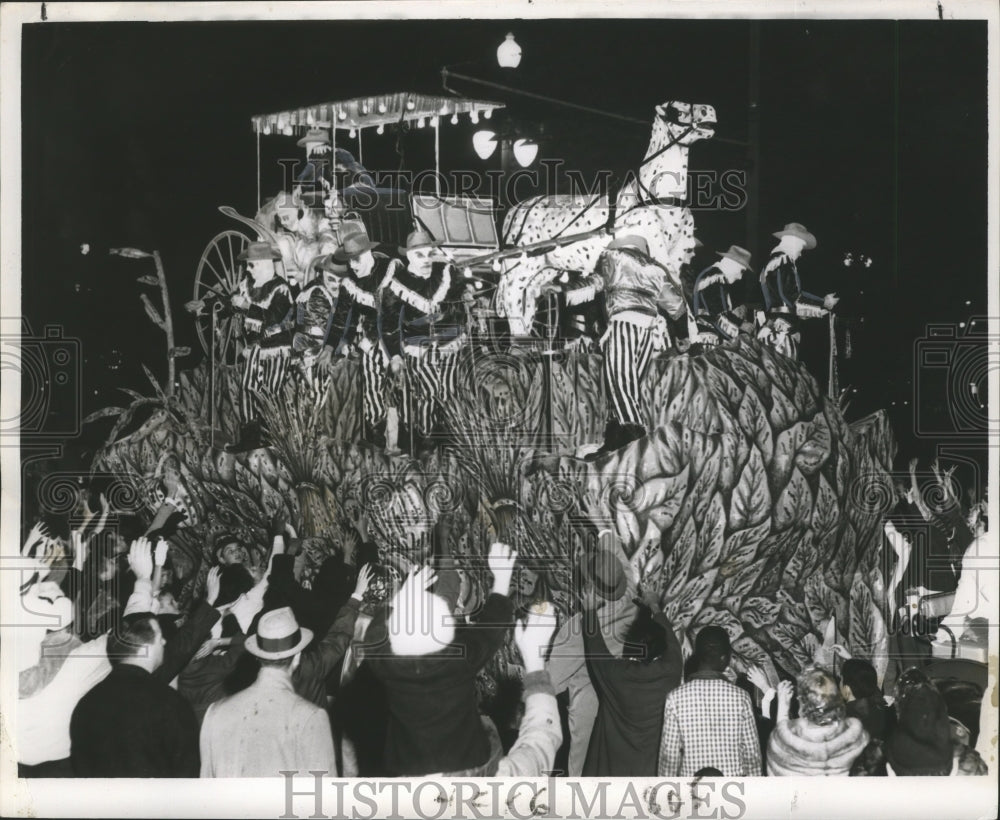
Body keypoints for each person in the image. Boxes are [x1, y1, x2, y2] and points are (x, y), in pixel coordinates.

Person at [361, 542, 517, 777]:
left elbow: (374, 637)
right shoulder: (457, 662)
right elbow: (490, 629)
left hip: (408, 768)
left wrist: (401, 599)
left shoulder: (388, 665)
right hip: (462, 764)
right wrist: (502, 580)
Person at [541, 234, 688, 459]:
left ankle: (635, 445)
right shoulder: (656, 269)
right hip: (647, 330)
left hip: (622, 325)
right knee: (629, 389)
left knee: (621, 386)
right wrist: (682, 335)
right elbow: (677, 306)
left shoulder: (614, 258)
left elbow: (593, 285)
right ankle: (615, 443)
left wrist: (562, 293)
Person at [199, 607, 336, 777]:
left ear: (257, 656)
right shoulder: (311, 717)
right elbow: (322, 797)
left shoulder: (215, 713)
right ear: (297, 657)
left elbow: (206, 792)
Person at [70, 615, 201, 777]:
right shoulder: (170, 703)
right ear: (145, 647)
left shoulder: (85, 704)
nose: (164, 642)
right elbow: (187, 775)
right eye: (160, 637)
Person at [581, 580, 683, 777]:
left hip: (612, 774)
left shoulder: (615, 673)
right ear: (660, 647)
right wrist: (655, 606)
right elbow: (673, 644)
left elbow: (596, 648)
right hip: (651, 775)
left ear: (631, 644)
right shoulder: (670, 671)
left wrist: (590, 611)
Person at [378, 229, 456, 454]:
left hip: (448, 349)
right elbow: (389, 324)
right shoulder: (397, 285)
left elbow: (458, 304)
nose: (426, 261)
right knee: (429, 392)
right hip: (417, 351)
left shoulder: (445, 274)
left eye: (429, 254)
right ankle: (425, 439)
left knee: (450, 393)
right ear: (409, 256)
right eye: (420, 255)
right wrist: (394, 355)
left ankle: (446, 445)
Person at [658, 625, 762, 777]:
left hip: (693, 791)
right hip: (733, 791)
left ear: (696, 655)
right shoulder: (741, 697)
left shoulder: (675, 698)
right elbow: (752, 756)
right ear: (724, 658)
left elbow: (669, 757)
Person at [332, 228, 401, 447]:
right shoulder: (351, 283)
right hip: (371, 344)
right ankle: (378, 440)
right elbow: (345, 317)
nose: (353, 266)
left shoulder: (391, 271)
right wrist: (338, 344)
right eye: (349, 261)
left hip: (398, 340)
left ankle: (406, 444)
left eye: (357, 259)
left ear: (369, 253)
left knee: (400, 392)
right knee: (373, 390)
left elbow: (396, 314)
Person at [227, 241, 294, 452]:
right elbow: (230, 301)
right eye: (247, 265)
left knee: (270, 392)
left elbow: (273, 318)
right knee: (247, 389)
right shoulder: (247, 285)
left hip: (276, 349)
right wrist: (209, 305)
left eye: (251, 265)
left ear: (265, 264)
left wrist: (247, 306)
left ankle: (272, 439)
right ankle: (250, 441)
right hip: (255, 348)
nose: (247, 269)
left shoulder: (281, 288)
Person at [757, 222, 838, 361]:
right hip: (782, 329)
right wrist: (823, 303)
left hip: (774, 324)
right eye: (801, 247)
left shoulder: (774, 261)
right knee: (784, 375)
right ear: (793, 242)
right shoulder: (783, 261)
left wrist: (818, 306)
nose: (800, 254)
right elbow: (790, 298)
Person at [766, 668, 870, 776]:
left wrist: (783, 707)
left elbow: (780, 750)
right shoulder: (855, 733)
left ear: (801, 703)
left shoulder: (786, 739)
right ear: (837, 698)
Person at [292, 255, 351, 373]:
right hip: (310, 346)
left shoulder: (328, 289)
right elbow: (330, 327)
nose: (336, 285)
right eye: (331, 279)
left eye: (340, 281)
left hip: (320, 341)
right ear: (323, 273)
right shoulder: (317, 293)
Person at [692, 244, 752, 346]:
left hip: (708, 331)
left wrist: (740, 324)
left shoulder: (714, 275)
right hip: (708, 336)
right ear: (733, 264)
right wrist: (741, 335)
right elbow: (717, 316)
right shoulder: (716, 277)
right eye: (741, 271)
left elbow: (720, 311)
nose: (740, 277)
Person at [840, 657, 895, 743]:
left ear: (847, 689)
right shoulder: (882, 706)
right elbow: (867, 680)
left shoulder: (844, 717)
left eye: (841, 679)